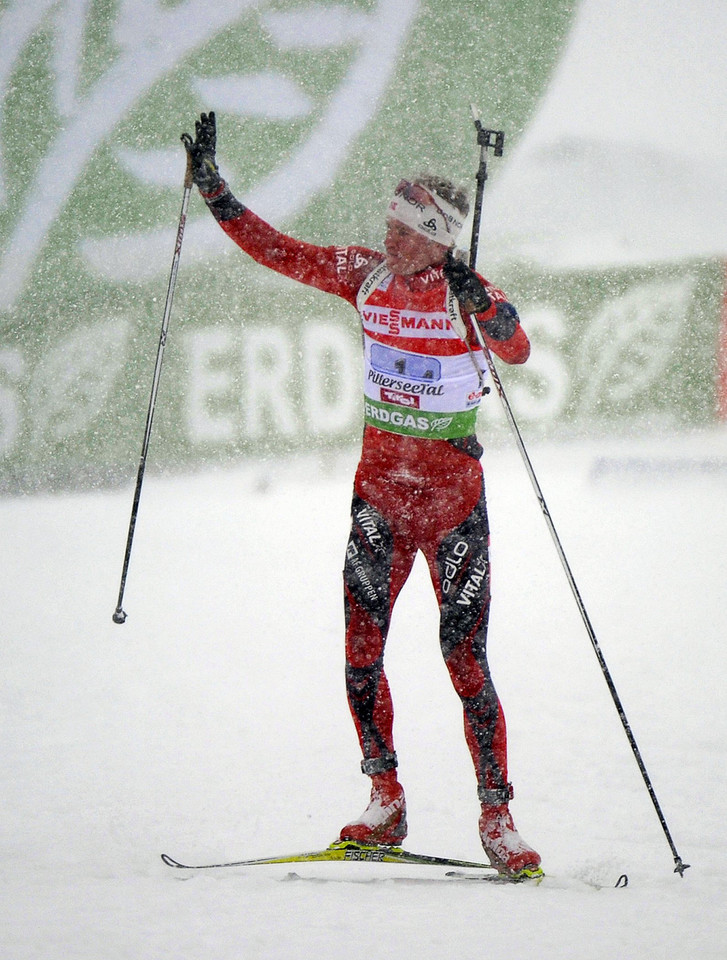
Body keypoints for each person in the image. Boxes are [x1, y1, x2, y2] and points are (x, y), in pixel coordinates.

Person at [182, 112, 541, 877]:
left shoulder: (464, 293)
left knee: (463, 658)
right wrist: (215, 189)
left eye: (407, 232)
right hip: (379, 500)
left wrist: (484, 305)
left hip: (451, 510)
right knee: (359, 655)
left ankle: (497, 814)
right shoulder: (363, 276)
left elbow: (516, 346)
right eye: (389, 224)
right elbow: (276, 251)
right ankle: (385, 800)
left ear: (440, 237)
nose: (391, 241)